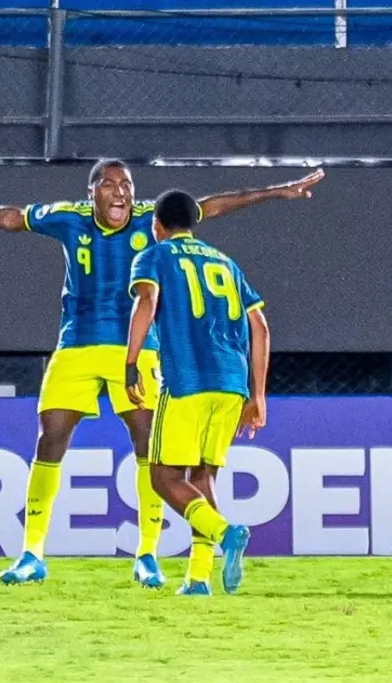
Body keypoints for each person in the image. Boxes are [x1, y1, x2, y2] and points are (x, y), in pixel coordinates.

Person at [0, 160, 320, 588]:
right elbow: (11, 218)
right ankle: (31, 553)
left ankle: (147, 556)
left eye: (127, 184)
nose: (120, 192)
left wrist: (278, 191)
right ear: (92, 193)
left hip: (138, 349)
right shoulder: (69, 218)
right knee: (51, 435)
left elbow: (210, 207)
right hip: (78, 343)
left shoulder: (149, 219)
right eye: (110, 184)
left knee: (148, 444)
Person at [125, 188, 271, 597]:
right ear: (194, 223)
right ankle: (198, 579)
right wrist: (258, 396)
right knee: (202, 476)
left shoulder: (154, 256)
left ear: (157, 226)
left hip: (189, 379)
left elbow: (147, 302)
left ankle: (225, 533)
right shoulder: (226, 262)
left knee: (162, 476)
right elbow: (260, 328)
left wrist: (131, 361)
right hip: (233, 382)